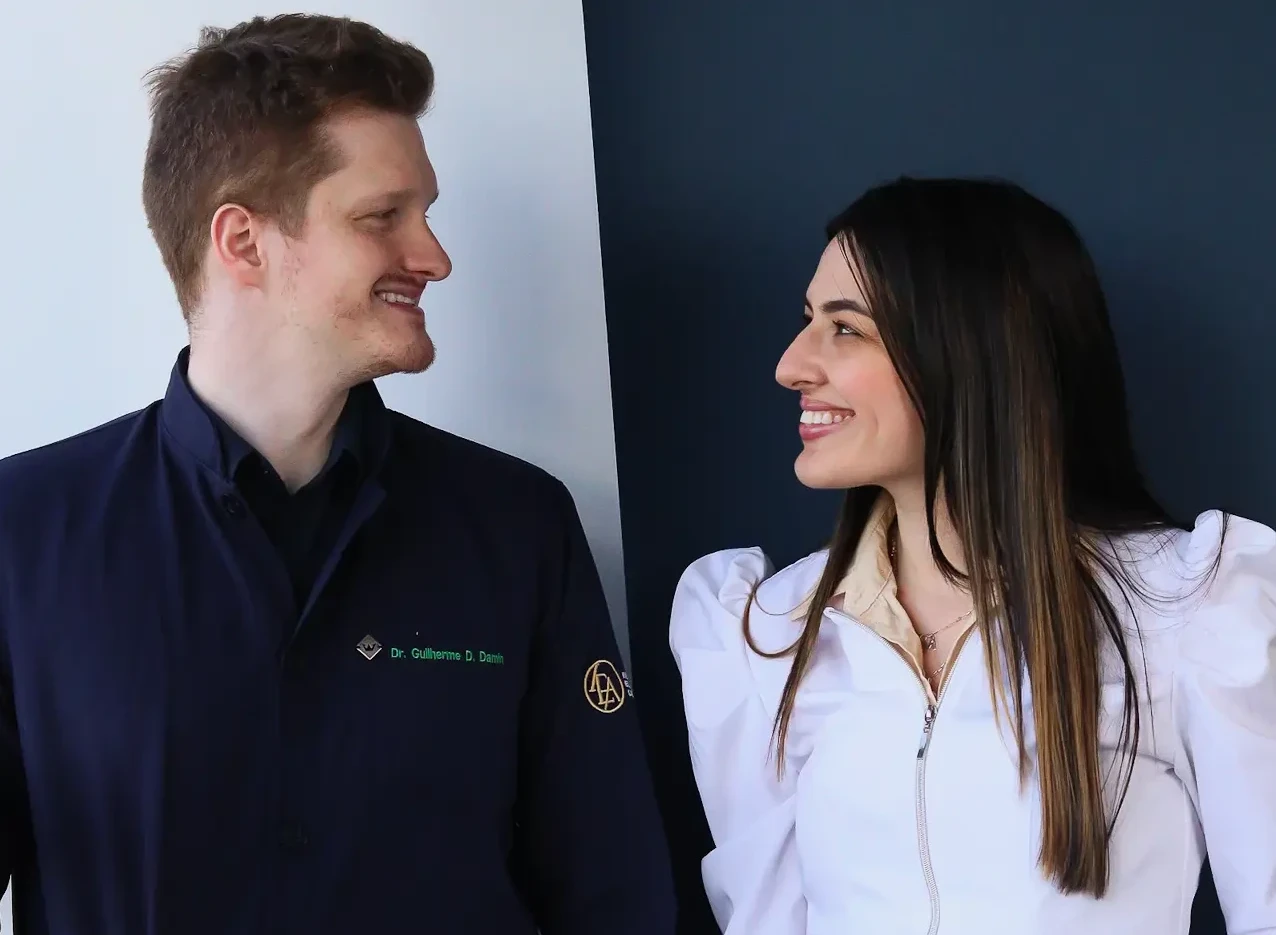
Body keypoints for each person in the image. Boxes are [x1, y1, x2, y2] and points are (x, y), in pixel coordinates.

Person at [0, 14, 674, 935]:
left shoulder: (519, 527)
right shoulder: (22, 536)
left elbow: (614, 895)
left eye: (425, 213)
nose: (434, 257)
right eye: (382, 216)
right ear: (244, 242)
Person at [669, 177, 1276, 934]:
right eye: (806, 320)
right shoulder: (769, 632)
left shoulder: (1188, 608)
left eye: (845, 328)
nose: (791, 365)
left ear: (969, 350)